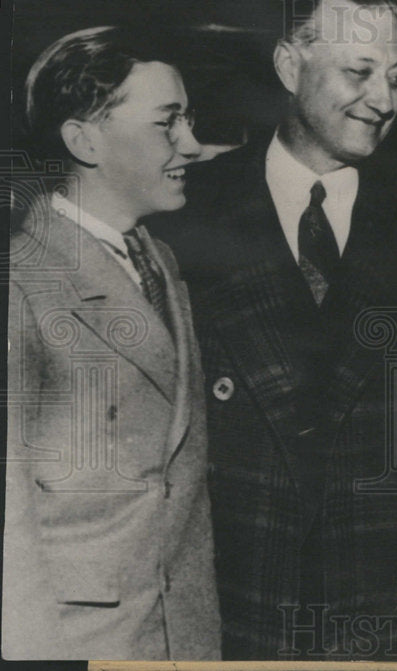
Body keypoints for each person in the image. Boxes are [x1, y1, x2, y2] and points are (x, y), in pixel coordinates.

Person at [147, 0, 397, 659]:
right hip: (227, 602)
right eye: (359, 71)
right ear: (287, 64)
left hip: (384, 616)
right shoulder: (182, 216)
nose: (382, 99)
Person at [4, 27, 220, 660]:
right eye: (167, 123)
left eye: (188, 120)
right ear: (84, 140)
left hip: (183, 633)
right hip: (85, 643)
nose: (192, 143)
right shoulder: (23, 283)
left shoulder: (164, 263)